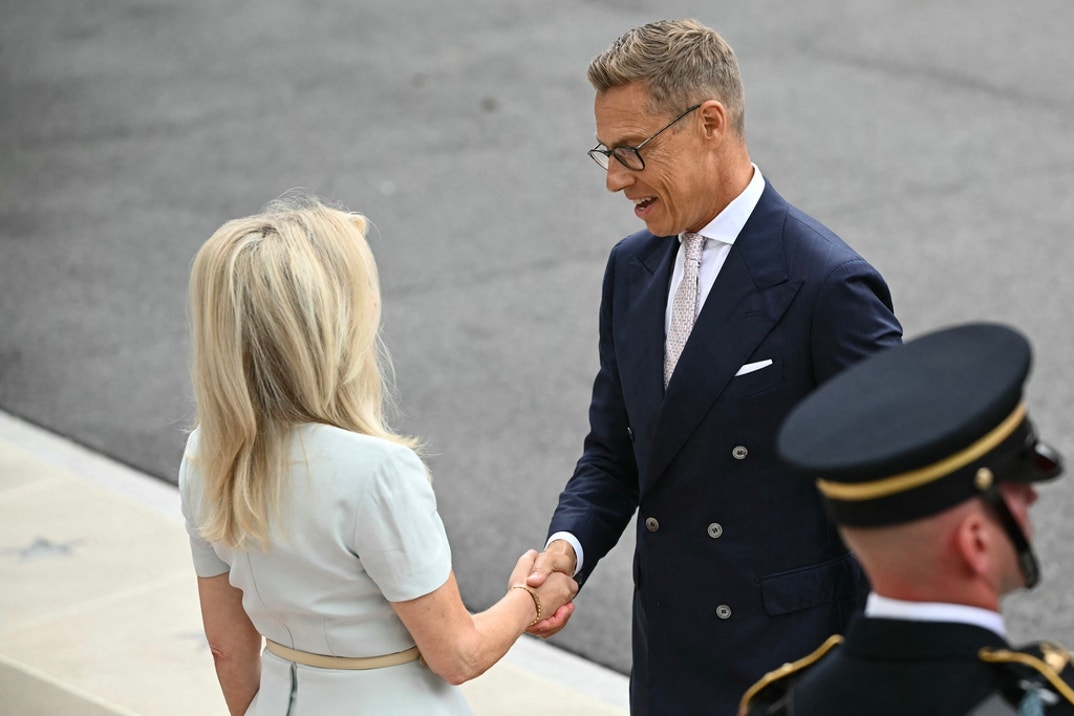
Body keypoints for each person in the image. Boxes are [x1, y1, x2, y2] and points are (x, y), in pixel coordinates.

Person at [525, 18, 903, 716]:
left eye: (632, 151)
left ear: (709, 123)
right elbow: (616, 454)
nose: (614, 179)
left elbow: (896, 503)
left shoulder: (828, 286)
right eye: (605, 153)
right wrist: (567, 550)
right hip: (667, 666)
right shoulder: (630, 269)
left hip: (788, 675)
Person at [179, 195, 578, 716]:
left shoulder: (206, 454)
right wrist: (534, 600)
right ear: (331, 322)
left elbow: (227, 647)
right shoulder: (377, 472)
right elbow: (458, 654)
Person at [739, 322, 1074, 715]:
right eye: (1014, 490)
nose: (1031, 497)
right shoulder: (1041, 703)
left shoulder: (782, 704)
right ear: (975, 543)